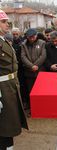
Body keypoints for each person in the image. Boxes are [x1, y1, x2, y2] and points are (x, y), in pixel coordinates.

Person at [0, 9, 28, 150]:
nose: (7, 25)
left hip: (9, 86)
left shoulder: (4, 41)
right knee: (4, 123)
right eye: (3, 22)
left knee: (8, 122)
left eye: (7, 22)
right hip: (2, 89)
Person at [21, 28, 46, 110]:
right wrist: (31, 66)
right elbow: (23, 56)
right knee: (31, 91)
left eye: (33, 36)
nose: (32, 38)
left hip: (40, 72)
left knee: (41, 91)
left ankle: (42, 108)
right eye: (30, 37)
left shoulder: (42, 43)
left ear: (36, 36)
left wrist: (35, 65)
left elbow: (43, 55)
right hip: (29, 72)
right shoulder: (23, 44)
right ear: (27, 37)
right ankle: (33, 109)